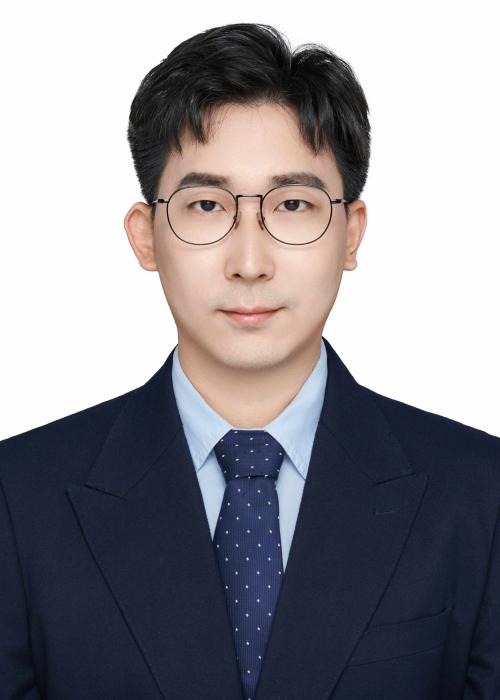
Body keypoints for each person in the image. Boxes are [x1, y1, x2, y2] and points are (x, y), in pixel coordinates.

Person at [1, 21, 499, 700]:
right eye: (206, 205)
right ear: (145, 237)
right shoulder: (19, 499)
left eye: (292, 204)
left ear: (351, 234)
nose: (250, 262)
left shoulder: (478, 495)